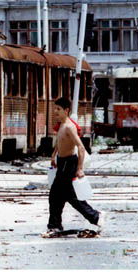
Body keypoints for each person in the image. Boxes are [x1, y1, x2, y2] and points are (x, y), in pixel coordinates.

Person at [47, 97, 104, 235]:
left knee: (67, 196)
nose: (56, 111)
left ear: (66, 110)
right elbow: (60, 142)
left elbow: (81, 147)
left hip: (69, 163)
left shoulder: (69, 127)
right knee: (57, 195)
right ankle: (55, 224)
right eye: (55, 108)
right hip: (62, 162)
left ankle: (96, 216)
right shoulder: (62, 125)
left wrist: (79, 169)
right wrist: (54, 155)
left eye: (58, 109)